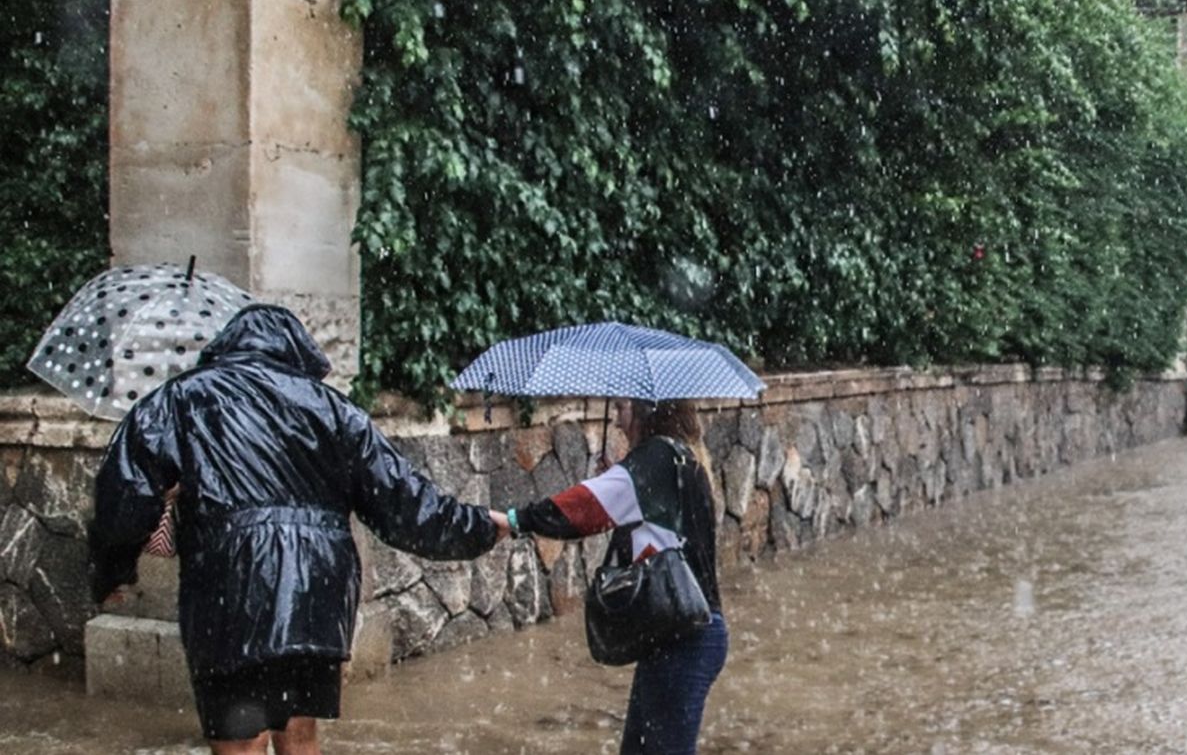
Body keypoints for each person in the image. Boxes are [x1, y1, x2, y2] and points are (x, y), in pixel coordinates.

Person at [88, 304, 511, 755]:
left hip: (233, 590)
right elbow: (406, 504)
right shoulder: (334, 410)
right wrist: (480, 527)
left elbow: (124, 494)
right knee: (300, 734)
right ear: (298, 351)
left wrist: (112, 572)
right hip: (317, 594)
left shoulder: (182, 399)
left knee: (240, 740)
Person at [507, 397, 726, 755]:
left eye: (622, 408)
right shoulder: (685, 458)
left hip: (683, 640)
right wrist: (621, 478)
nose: (619, 421)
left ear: (647, 410)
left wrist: (516, 521)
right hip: (683, 633)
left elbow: (583, 510)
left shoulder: (656, 457)